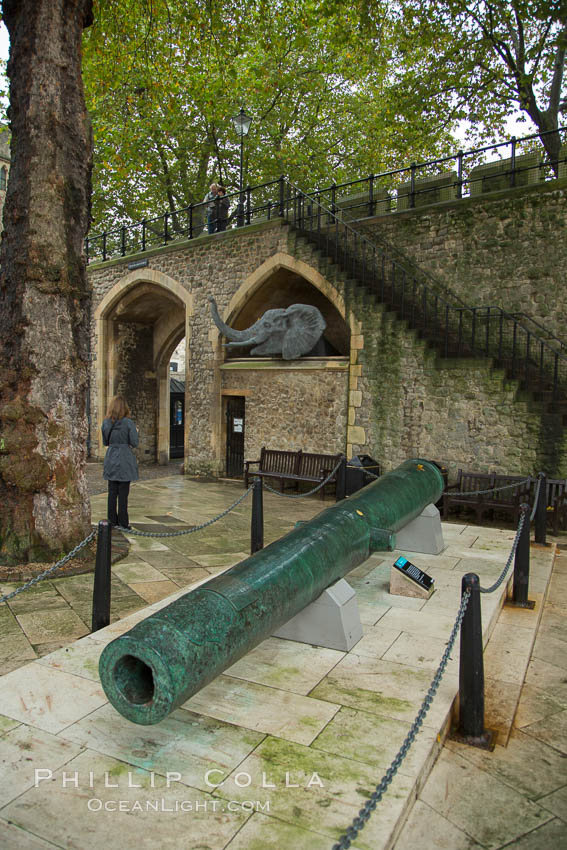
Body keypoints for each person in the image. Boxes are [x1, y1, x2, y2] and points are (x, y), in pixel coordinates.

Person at [102, 395, 139, 530]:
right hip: (124, 458)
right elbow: (134, 443)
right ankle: (123, 523)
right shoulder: (128, 423)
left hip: (111, 456)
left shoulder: (106, 423)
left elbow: (105, 442)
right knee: (123, 494)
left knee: (112, 492)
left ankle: (112, 521)